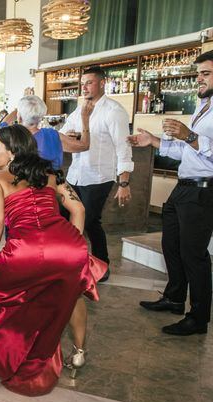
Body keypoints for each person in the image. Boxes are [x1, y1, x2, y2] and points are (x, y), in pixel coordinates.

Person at [0, 125, 107, 396]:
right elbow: (78, 208)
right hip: (69, 247)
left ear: (12, 152)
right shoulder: (50, 173)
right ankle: (79, 353)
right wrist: (71, 244)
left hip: (27, 251)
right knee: (72, 296)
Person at [132, 50, 213, 336]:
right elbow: (187, 149)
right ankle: (175, 298)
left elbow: (197, 145)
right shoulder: (204, 106)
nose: (199, 79)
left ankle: (199, 318)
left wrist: (189, 136)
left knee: (194, 254)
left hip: (203, 191)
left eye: (205, 73)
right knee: (172, 245)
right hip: (184, 187)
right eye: (199, 73)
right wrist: (152, 140)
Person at [60, 66, 134, 281]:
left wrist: (124, 182)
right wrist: (70, 136)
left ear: (102, 83)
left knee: (90, 221)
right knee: (65, 217)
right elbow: (64, 133)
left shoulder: (114, 111)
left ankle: (102, 265)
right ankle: (70, 263)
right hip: (75, 174)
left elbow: (123, 148)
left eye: (89, 82)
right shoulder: (79, 109)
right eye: (82, 83)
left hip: (99, 176)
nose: (84, 87)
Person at [17, 95, 93, 170]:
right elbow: (84, 146)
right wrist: (85, 118)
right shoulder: (52, 136)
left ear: (19, 118)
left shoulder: (11, 137)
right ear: (41, 117)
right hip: (50, 181)